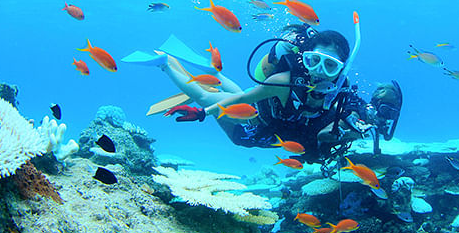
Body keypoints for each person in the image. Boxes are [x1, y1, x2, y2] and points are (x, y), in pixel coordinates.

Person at [123, 21, 401, 164]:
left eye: (330, 66)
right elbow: (243, 99)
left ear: (340, 70)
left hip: (272, 118)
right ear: (305, 58)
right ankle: (166, 63)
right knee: (207, 98)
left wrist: (368, 120)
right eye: (314, 61)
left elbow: (362, 116)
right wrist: (202, 113)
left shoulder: (340, 93)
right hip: (259, 114)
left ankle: (214, 73)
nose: (319, 72)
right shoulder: (284, 79)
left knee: (247, 97)